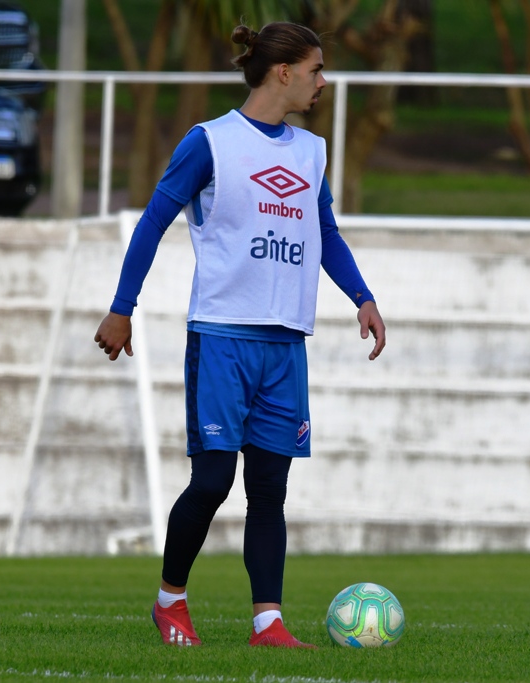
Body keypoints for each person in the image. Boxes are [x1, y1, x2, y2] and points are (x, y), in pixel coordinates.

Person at [94, 21, 385, 648]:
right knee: (212, 480)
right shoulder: (211, 143)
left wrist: (362, 296)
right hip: (222, 338)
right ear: (283, 72)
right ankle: (170, 600)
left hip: (286, 343)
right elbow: (152, 221)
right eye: (315, 69)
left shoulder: (310, 152)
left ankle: (268, 622)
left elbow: (325, 233)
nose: (322, 81)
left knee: (270, 491)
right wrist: (123, 309)